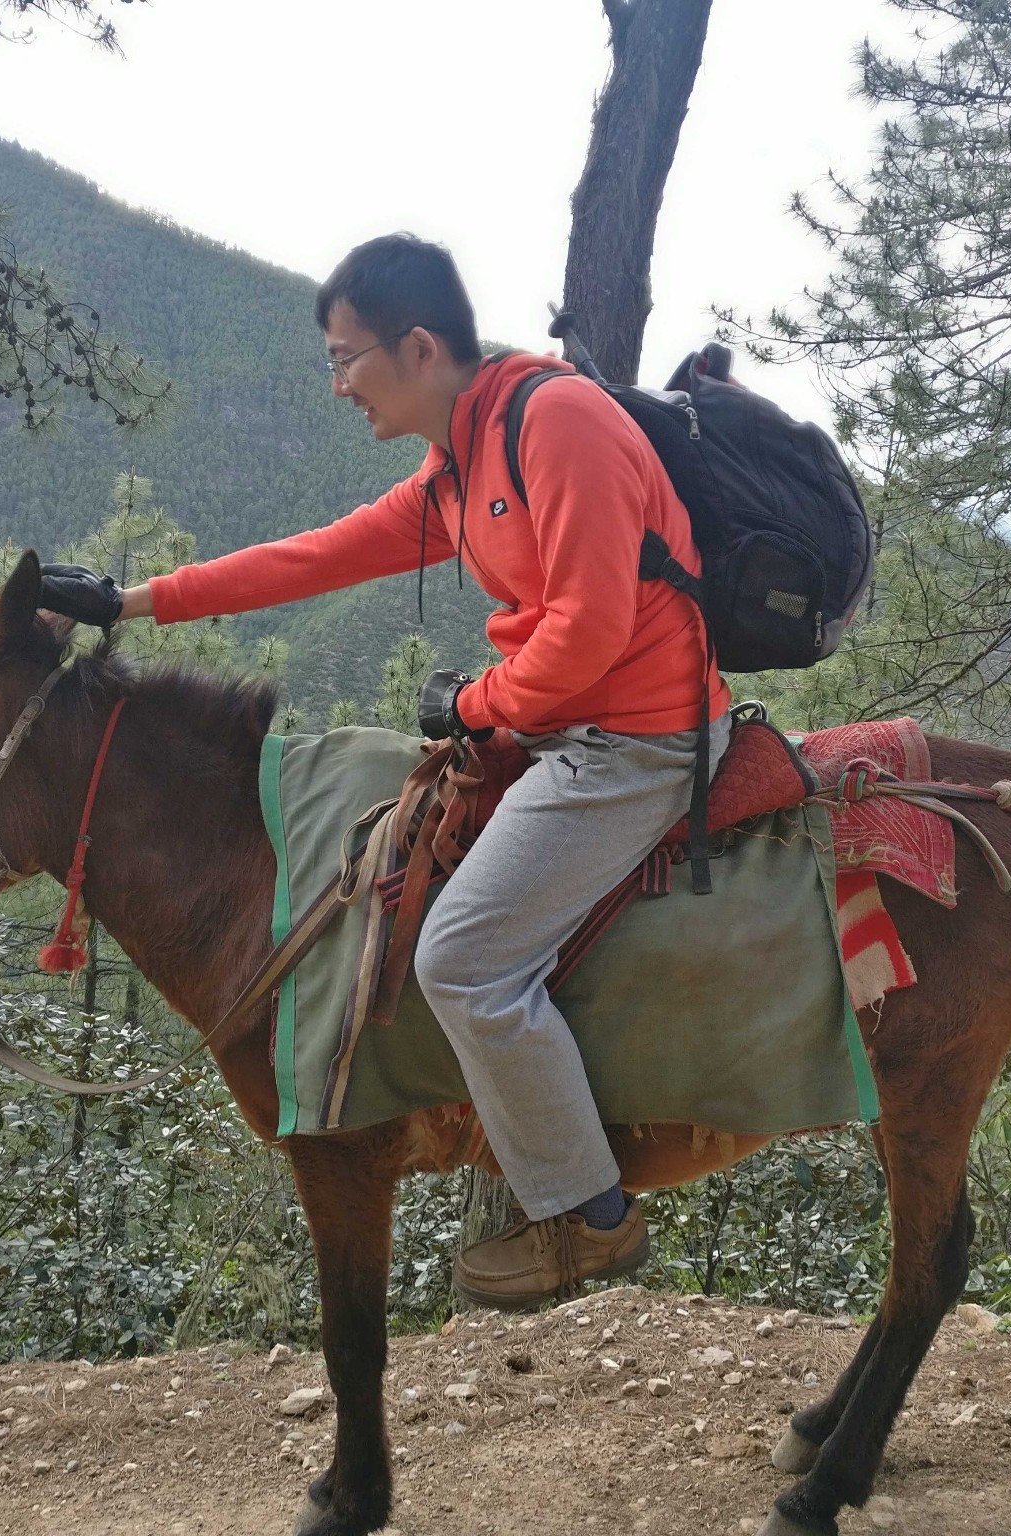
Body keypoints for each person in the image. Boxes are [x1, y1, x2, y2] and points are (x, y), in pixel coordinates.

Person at [38, 233, 729, 1309]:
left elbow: (591, 631)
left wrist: (472, 704)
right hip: (556, 731)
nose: (337, 384)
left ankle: (590, 1219)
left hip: (637, 742)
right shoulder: (458, 465)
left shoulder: (556, 424)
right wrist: (128, 603)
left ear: (416, 347)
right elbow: (312, 556)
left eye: (345, 357)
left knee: (458, 958)